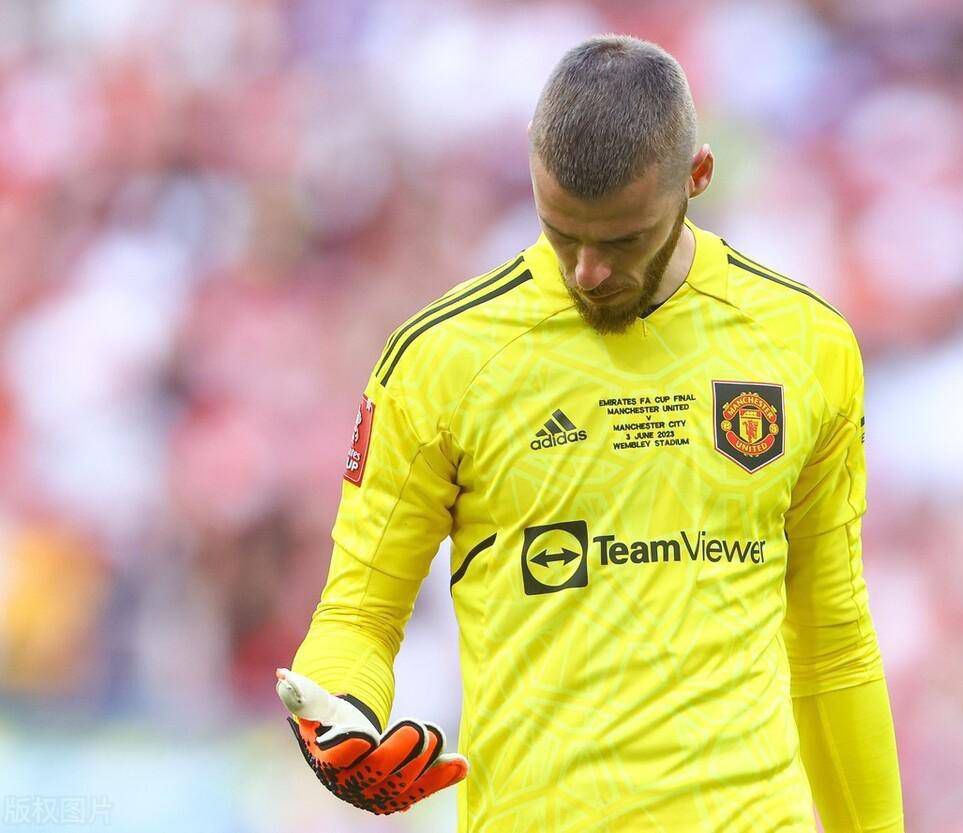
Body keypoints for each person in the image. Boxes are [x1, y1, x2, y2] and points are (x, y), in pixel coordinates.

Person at [277, 34, 905, 832]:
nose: (586, 272)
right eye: (560, 233)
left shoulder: (805, 344)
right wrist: (341, 720)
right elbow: (358, 616)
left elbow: (831, 639)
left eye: (621, 240)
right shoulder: (444, 361)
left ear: (697, 178)